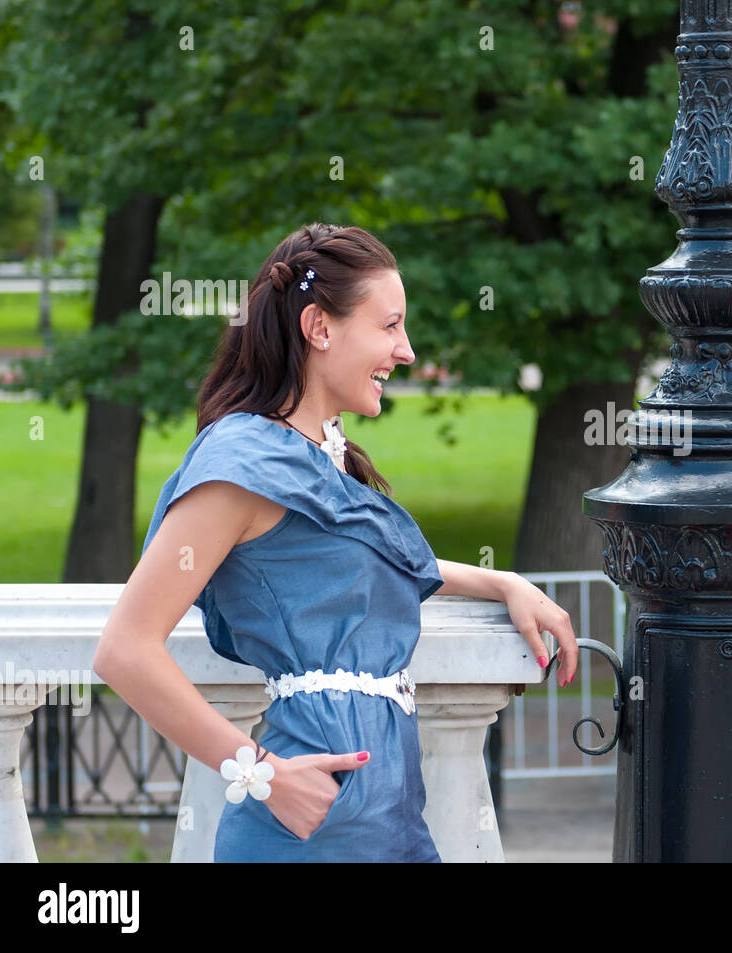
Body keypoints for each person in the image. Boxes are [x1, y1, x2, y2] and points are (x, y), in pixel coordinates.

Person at [93, 223, 579, 862]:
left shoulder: (322, 455)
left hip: (392, 815)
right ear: (320, 328)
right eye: (390, 326)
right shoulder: (242, 463)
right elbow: (125, 649)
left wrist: (501, 582)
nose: (406, 351)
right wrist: (261, 772)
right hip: (309, 827)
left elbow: (363, 562)